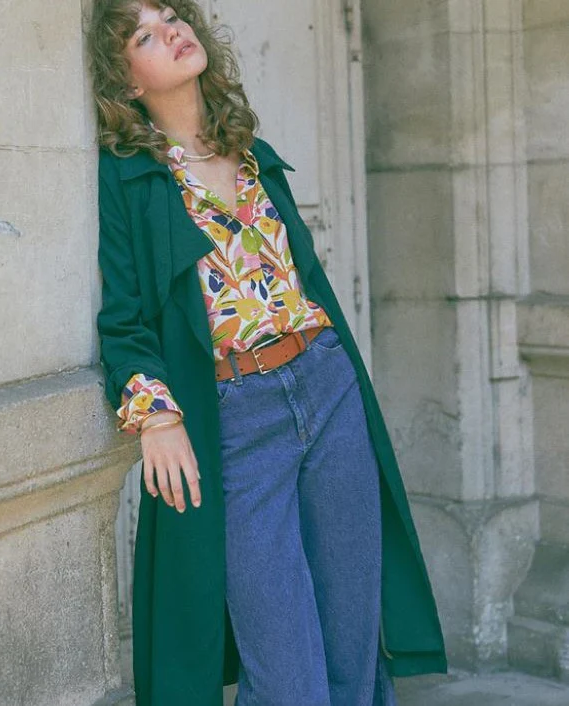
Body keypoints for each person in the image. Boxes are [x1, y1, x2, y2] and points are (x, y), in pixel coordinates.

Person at [87, 1, 447, 704]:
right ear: (127, 79)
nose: (173, 31)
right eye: (146, 35)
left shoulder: (249, 149)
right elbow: (123, 320)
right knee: (285, 669)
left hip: (326, 385)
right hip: (236, 418)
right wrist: (157, 416)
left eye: (172, 16)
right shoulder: (128, 177)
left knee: (351, 644)